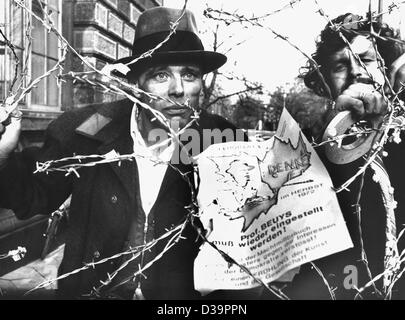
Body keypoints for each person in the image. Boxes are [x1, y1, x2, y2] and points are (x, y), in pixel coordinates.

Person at [0, 7, 243, 299]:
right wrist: (2, 157)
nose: (178, 89)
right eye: (161, 75)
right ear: (134, 84)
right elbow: (35, 194)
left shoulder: (221, 143)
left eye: (189, 74)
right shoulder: (87, 131)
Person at [264, 13, 405, 299]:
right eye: (341, 64)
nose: (356, 71)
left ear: (387, 69)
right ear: (325, 81)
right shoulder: (306, 145)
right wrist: (334, 124)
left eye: (366, 59)